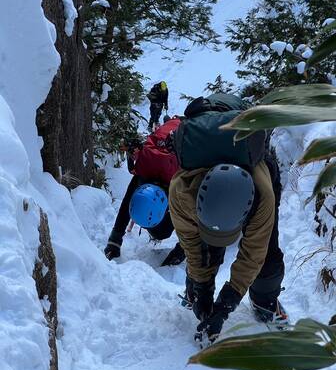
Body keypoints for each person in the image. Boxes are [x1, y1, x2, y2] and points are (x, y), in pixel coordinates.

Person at [169, 94, 286, 343]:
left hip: (253, 160)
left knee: (269, 254)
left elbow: (254, 251)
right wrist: (203, 290)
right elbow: (191, 244)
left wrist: (226, 304)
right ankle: (195, 289)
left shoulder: (262, 196)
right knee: (203, 250)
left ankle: (265, 299)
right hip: (209, 139)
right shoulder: (181, 193)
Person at [104, 118, 185, 266]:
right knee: (160, 230)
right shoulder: (144, 169)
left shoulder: (182, 180)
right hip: (168, 145)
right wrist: (114, 240)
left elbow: (196, 215)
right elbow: (129, 201)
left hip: (191, 136)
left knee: (163, 231)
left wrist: (182, 250)